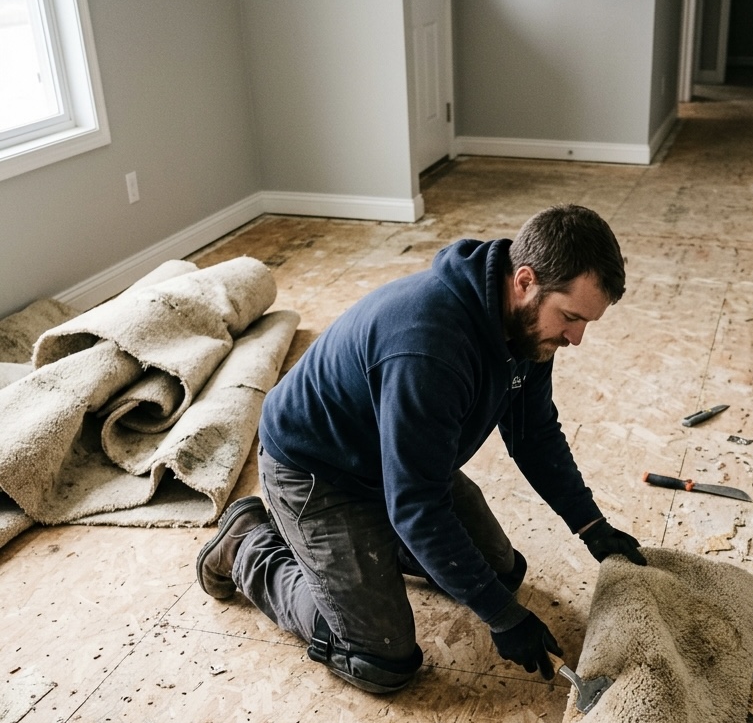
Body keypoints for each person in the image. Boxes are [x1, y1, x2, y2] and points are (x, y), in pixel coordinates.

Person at [196, 204, 646, 695]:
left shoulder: (526, 328)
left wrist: (589, 524)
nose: (576, 338)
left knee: (502, 572)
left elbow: (533, 434)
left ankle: (368, 547)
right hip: (319, 473)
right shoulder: (429, 345)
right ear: (524, 281)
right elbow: (418, 505)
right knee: (380, 658)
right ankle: (248, 544)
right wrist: (501, 618)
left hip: (403, 458)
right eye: (572, 317)